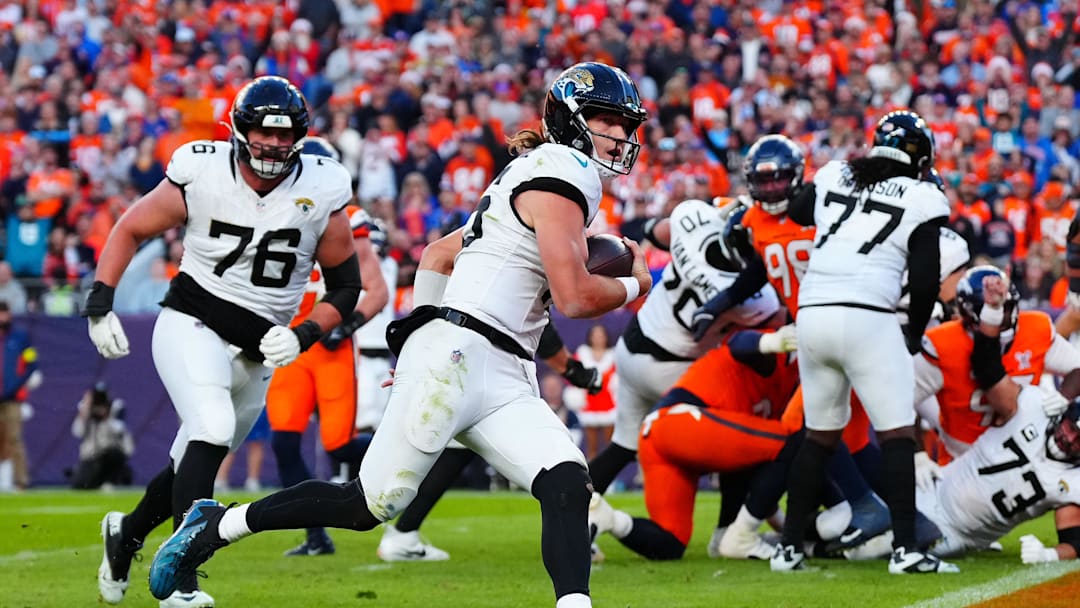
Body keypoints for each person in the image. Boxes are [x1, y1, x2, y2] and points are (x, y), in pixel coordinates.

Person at [149, 62, 651, 608]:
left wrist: (422, 333)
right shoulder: (564, 170)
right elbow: (575, 298)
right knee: (369, 504)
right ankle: (218, 524)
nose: (620, 135)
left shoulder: (534, 170)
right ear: (571, 120)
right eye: (608, 121)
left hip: (500, 366)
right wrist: (635, 282)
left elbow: (437, 255)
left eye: (626, 125)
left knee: (567, 481)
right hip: (463, 354)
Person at [88, 76, 362, 608]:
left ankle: (127, 534)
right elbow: (130, 228)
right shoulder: (203, 169)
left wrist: (304, 333)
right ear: (239, 130)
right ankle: (181, 584)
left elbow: (347, 286)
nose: (274, 145)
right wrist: (100, 302)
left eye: (284, 135)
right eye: (264, 132)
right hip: (194, 317)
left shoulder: (323, 184)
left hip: (262, 344)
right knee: (210, 428)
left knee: (193, 459)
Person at [769, 110, 957, 574]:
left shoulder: (837, 173)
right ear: (922, 158)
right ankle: (907, 550)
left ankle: (788, 548)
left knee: (819, 434)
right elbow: (926, 278)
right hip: (867, 315)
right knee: (896, 433)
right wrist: (913, 332)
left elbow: (797, 211)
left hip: (813, 313)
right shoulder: (922, 195)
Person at [846, 272, 1080, 562]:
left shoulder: (1036, 333)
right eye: (1071, 428)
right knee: (846, 526)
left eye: (1008, 307)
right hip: (956, 459)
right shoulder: (1031, 405)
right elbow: (984, 368)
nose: (1069, 438)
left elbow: (1075, 541)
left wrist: (1048, 555)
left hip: (966, 526)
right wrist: (916, 453)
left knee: (876, 547)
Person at [586, 196, 782, 507]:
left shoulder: (693, 219)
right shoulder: (757, 300)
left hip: (632, 345)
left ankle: (577, 511)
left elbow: (655, 231)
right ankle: (731, 526)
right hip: (673, 365)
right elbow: (784, 317)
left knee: (623, 444)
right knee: (738, 430)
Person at [264, 137, 389, 558]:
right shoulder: (273, 212)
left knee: (339, 445)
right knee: (284, 442)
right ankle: (315, 535)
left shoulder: (349, 218)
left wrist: (346, 324)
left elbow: (376, 290)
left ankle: (409, 463)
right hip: (291, 346)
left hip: (330, 346)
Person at [589, 325, 801, 562]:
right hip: (680, 422)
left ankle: (608, 518)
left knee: (671, 542)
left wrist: (783, 527)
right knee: (789, 442)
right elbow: (739, 343)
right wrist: (772, 342)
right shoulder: (762, 351)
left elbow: (748, 467)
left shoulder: (779, 384)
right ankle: (740, 537)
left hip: (656, 435)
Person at [0, 300, 40, 492]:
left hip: (12, 398)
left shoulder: (20, 337)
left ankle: (20, 481)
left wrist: (15, 385)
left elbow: (32, 364)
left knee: (14, 438)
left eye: (4, 312)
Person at [70, 382, 134, 490]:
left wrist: (106, 416)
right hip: (91, 457)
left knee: (114, 455)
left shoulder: (115, 407)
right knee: (79, 485)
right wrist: (85, 412)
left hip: (109, 456)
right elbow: (77, 432)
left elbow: (119, 430)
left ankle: (110, 481)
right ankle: (94, 481)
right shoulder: (87, 409)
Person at [574, 324, 616, 460]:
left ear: (606, 337)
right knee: (591, 447)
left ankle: (610, 472)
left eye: (601, 335)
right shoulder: (582, 355)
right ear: (590, 337)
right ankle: (592, 471)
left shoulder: (614, 356)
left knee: (610, 448)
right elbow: (574, 375)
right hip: (589, 404)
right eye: (595, 335)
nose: (598, 338)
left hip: (608, 404)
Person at [214, 409, 269, 493]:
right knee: (231, 442)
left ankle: (253, 481)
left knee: (256, 443)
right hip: (236, 408)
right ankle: (220, 480)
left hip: (256, 407)